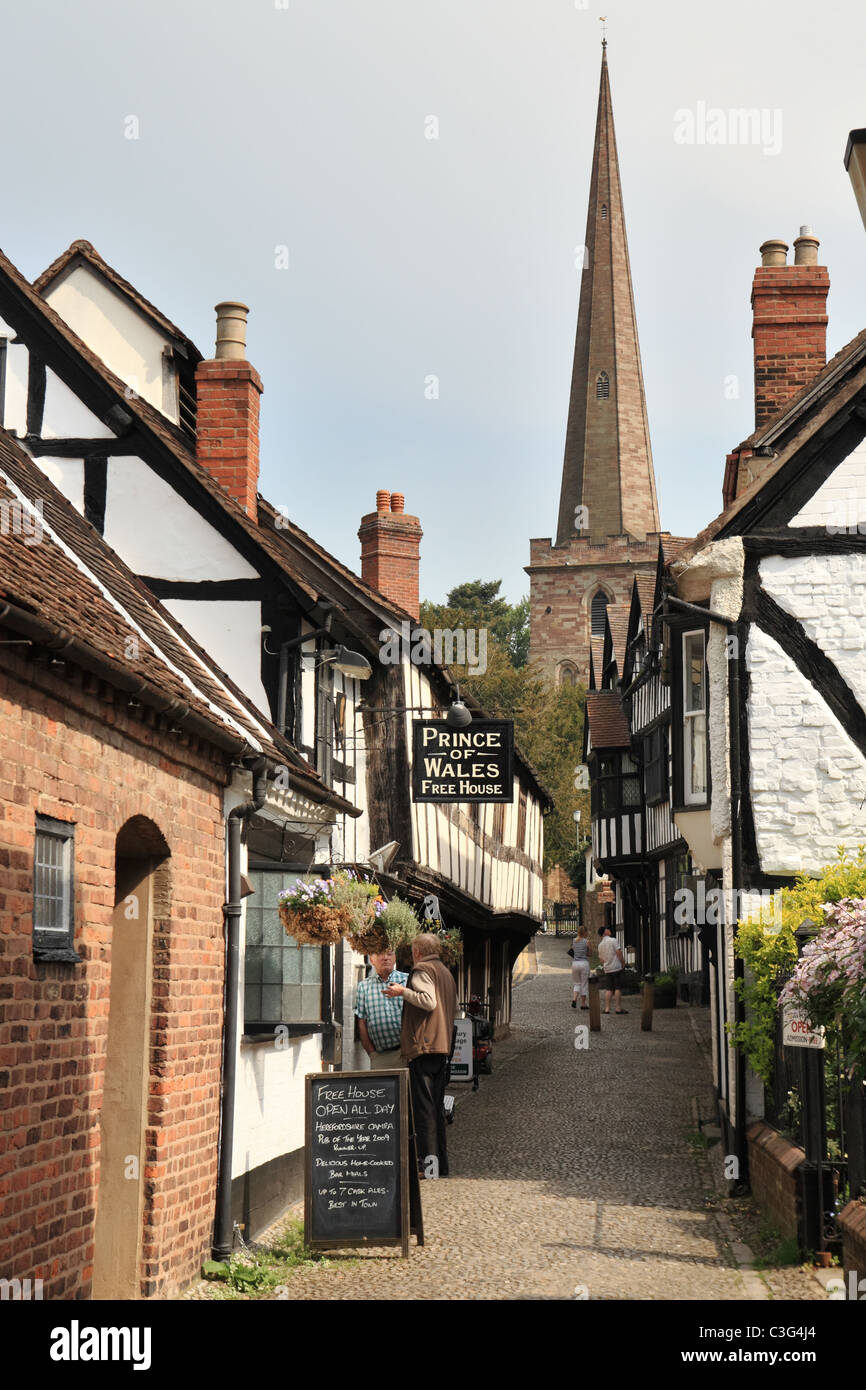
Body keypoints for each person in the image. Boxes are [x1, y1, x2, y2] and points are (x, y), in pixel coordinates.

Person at [383, 933, 457, 1179]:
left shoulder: (422, 970)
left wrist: (402, 991)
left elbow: (428, 1002)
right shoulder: (445, 972)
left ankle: (428, 1166)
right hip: (440, 1047)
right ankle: (440, 1166)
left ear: (417, 951)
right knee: (436, 1110)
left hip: (424, 1047)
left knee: (424, 1110)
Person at [354, 948, 409, 1070]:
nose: (386, 958)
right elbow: (362, 1022)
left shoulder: (407, 981)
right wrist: (372, 1053)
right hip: (379, 1057)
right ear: (371, 959)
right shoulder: (364, 986)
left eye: (390, 954)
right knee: (382, 1089)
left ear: (395, 958)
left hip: (406, 1054)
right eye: (380, 954)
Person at [598, 924, 627, 1014]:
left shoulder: (600, 945)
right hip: (616, 967)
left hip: (607, 969)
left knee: (609, 988)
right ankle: (618, 1008)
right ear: (605, 932)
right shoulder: (613, 940)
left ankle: (607, 1008)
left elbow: (601, 960)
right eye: (607, 929)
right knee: (617, 988)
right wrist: (623, 963)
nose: (609, 930)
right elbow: (618, 953)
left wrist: (606, 964)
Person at [569, 927, 590, 1010]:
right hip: (584, 963)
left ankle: (574, 999)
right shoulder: (587, 942)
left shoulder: (574, 941)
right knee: (584, 984)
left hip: (575, 964)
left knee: (577, 983)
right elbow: (590, 953)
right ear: (585, 932)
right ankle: (583, 1004)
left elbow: (573, 951)